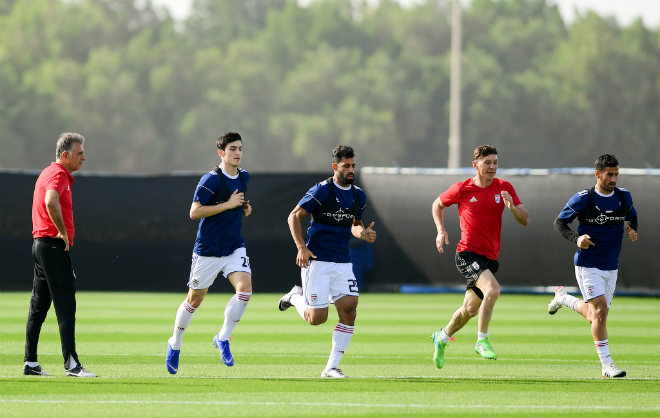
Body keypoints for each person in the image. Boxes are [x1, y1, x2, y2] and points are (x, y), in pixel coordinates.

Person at [277, 145, 376, 378]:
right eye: (346, 166)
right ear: (335, 167)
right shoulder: (322, 190)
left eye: (353, 165)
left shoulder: (358, 195)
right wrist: (302, 247)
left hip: (342, 261)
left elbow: (354, 225)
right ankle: (294, 296)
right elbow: (294, 216)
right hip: (318, 261)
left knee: (349, 309)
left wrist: (363, 233)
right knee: (316, 319)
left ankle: (331, 367)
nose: (351, 170)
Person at [430, 145, 529, 368]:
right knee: (493, 290)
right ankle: (482, 340)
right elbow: (437, 204)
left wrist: (512, 207)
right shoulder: (462, 188)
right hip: (467, 253)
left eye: (495, 162)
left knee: (469, 310)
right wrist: (440, 230)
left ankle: (442, 337)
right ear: (476, 165)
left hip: (490, 259)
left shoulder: (504, 187)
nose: (492, 166)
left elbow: (525, 219)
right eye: (488, 162)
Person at [166, 132, 253, 374]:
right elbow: (194, 212)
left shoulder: (244, 176)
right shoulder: (211, 180)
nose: (237, 153)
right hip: (209, 249)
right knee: (195, 300)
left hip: (234, 246)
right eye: (233, 149)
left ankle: (223, 338)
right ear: (221, 153)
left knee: (245, 290)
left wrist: (244, 209)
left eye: (240, 148)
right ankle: (175, 343)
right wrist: (228, 204)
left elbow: (239, 204)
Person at [548, 154, 637, 378]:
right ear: (598, 174)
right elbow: (559, 223)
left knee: (595, 315)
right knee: (599, 313)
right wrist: (575, 238)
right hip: (588, 264)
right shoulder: (584, 199)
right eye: (609, 174)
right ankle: (607, 366)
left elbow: (632, 217)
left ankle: (563, 298)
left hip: (611, 266)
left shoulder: (623, 197)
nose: (614, 178)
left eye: (616, 174)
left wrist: (632, 229)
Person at [24, 132, 97, 377]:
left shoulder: (47, 172)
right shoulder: (57, 174)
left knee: (39, 305)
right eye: (79, 153)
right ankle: (72, 364)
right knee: (66, 304)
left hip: (39, 245)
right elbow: (50, 199)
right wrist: (62, 232)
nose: (84, 157)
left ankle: (30, 362)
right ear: (64, 155)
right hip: (52, 246)